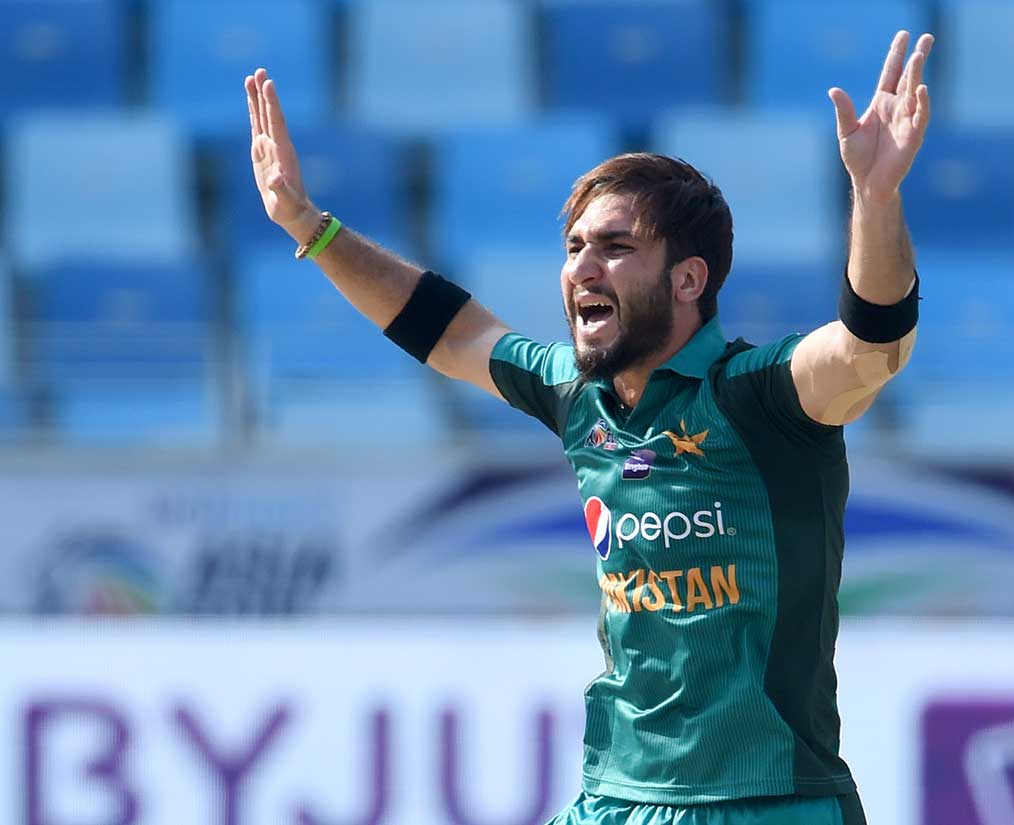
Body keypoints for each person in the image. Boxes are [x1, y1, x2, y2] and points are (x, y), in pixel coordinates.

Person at [245, 28, 934, 825]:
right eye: (574, 247)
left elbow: (870, 347)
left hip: (769, 802)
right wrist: (310, 227)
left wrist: (877, 201)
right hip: (615, 801)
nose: (581, 268)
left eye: (614, 247)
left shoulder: (760, 397)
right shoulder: (580, 398)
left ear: (688, 279)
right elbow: (449, 330)